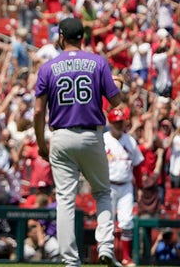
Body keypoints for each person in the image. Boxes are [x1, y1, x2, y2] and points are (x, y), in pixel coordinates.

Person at [33, 17, 123, 267]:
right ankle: (105, 247)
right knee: (103, 192)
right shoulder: (98, 62)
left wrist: (41, 143)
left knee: (64, 199)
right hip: (91, 134)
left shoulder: (48, 67)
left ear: (62, 37)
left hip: (60, 136)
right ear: (81, 37)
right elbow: (116, 102)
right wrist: (120, 84)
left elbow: (39, 112)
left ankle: (71, 261)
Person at [103, 108, 144, 267]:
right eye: (116, 122)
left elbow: (138, 165)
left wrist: (139, 187)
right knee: (107, 222)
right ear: (110, 123)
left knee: (127, 221)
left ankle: (126, 257)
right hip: (108, 185)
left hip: (126, 185)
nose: (119, 125)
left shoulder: (130, 141)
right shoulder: (103, 139)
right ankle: (108, 255)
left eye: (121, 122)